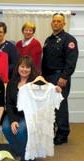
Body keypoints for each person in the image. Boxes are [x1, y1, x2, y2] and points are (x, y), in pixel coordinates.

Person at [42, 12, 79, 145]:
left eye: (59, 21)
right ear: (51, 23)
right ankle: (51, 131)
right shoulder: (48, 40)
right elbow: (44, 60)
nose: (56, 23)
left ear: (64, 23)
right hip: (47, 76)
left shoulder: (69, 40)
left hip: (60, 77)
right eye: (54, 21)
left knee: (60, 106)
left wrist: (64, 76)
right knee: (49, 106)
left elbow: (71, 61)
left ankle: (63, 133)